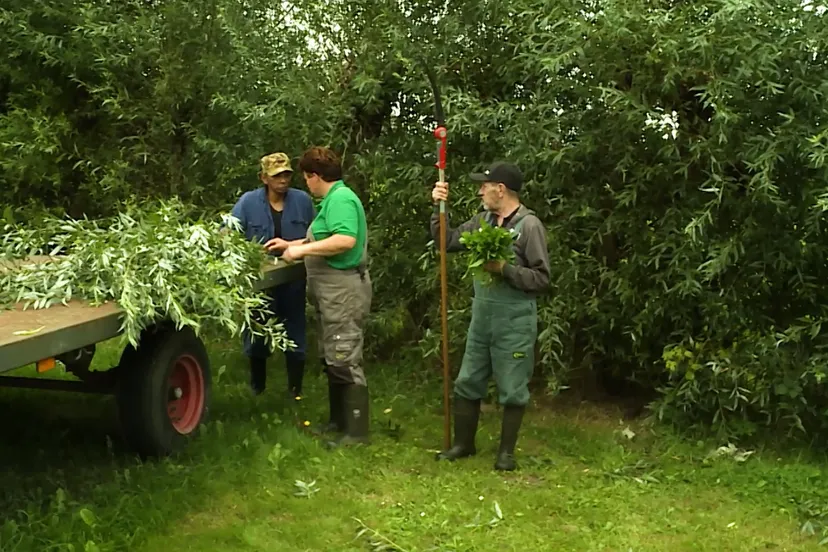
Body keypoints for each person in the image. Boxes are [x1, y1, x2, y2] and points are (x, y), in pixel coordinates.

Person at [430, 161, 550, 471]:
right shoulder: (482, 221)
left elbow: (541, 278)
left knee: (512, 385)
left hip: (515, 319)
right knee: (468, 379)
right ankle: (463, 444)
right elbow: (447, 242)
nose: (480, 190)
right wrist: (438, 208)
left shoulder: (529, 226)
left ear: (501, 189)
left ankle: (505, 454)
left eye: (485, 185)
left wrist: (505, 269)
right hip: (482, 317)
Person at [267, 146, 372, 446]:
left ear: (315, 176)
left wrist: (300, 251)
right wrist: (291, 242)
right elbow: (324, 237)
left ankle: (356, 433)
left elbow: (344, 239)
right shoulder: (333, 199)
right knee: (333, 357)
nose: (306, 184)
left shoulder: (340, 199)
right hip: (330, 293)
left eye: (306, 177)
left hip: (343, 290)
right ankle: (338, 421)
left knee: (344, 356)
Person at [229, 152, 316, 398]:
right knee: (257, 332)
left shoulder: (302, 201)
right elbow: (227, 232)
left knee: (294, 330)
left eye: (287, 174)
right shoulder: (248, 202)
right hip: (260, 282)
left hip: (293, 280)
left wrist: (291, 245)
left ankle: (295, 391)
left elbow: (317, 234)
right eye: (277, 175)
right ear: (264, 178)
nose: (283, 179)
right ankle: (258, 388)